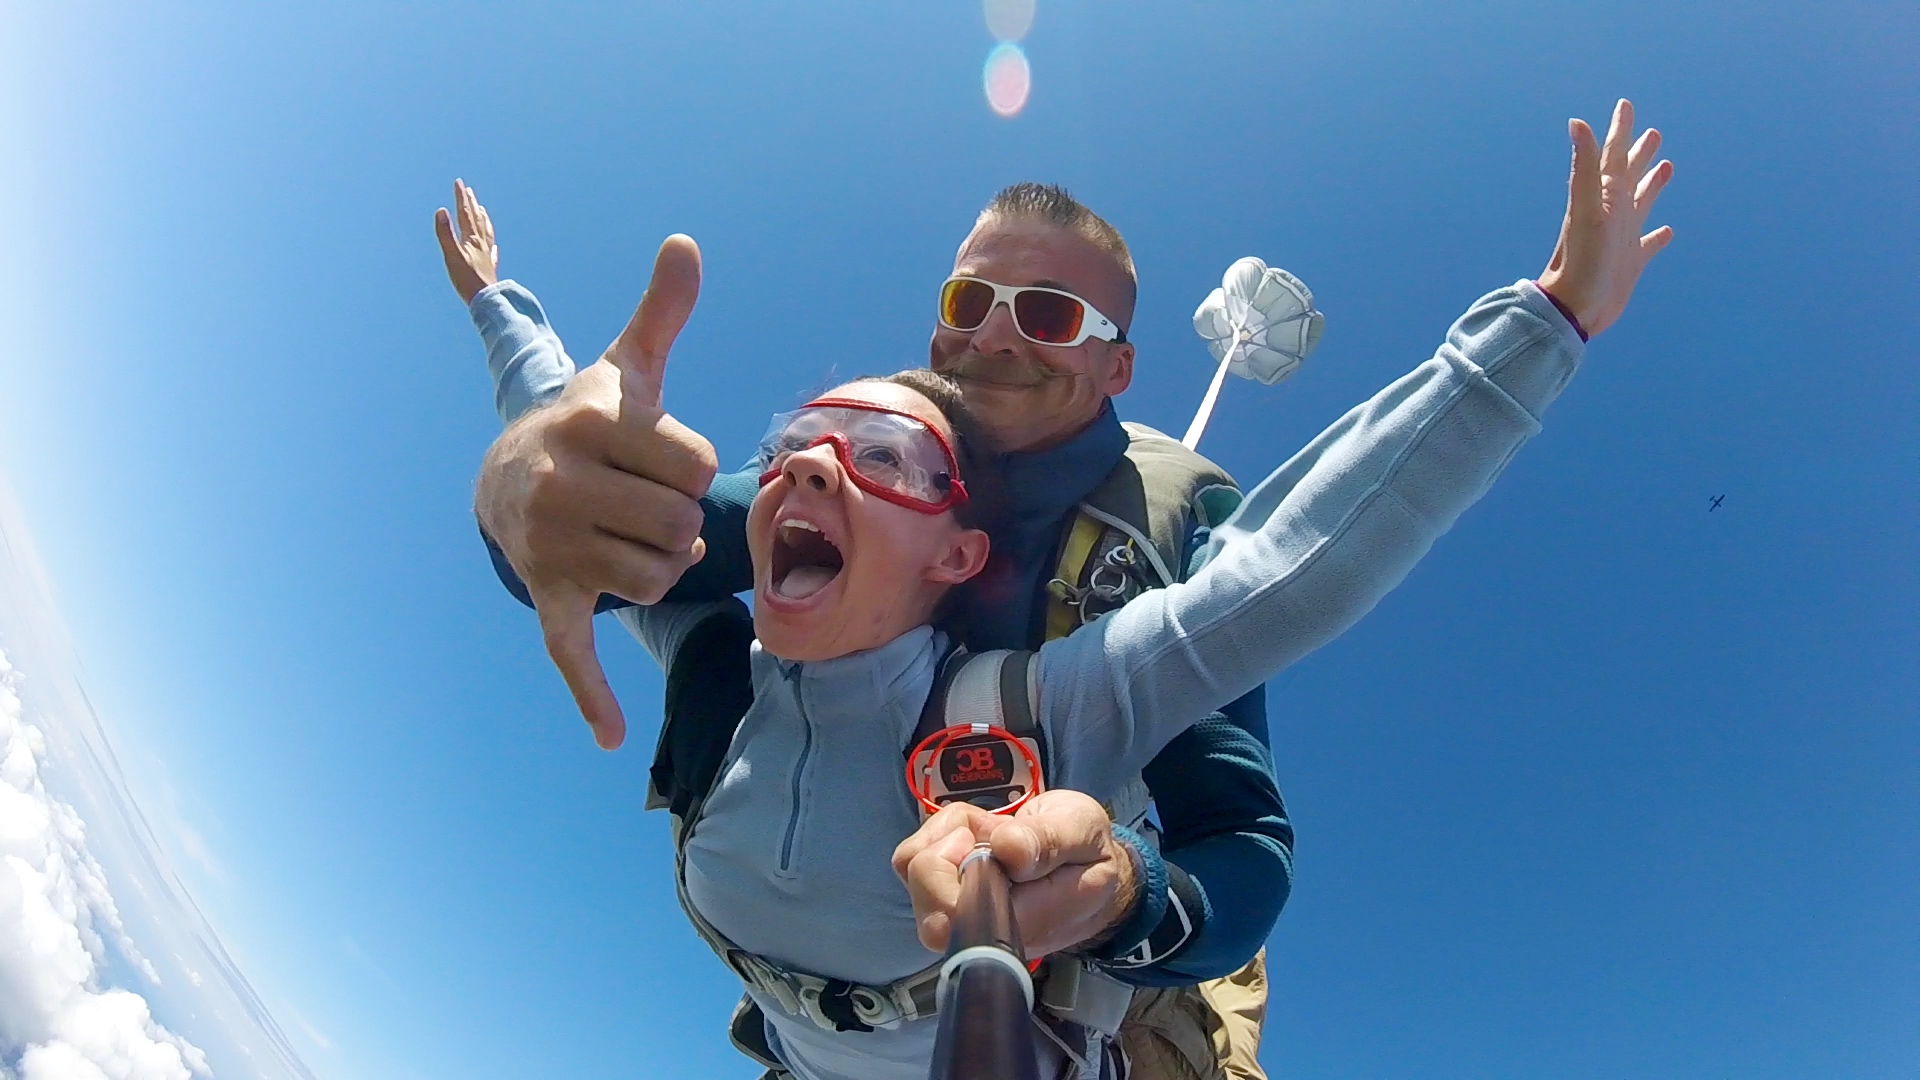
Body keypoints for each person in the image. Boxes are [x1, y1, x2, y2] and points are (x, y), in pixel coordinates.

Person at [438, 99, 1673, 1078]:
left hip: (1093, 972)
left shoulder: (1165, 529)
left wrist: (1130, 897)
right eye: (969, 301)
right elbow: (610, 501)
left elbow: (1283, 620)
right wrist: (520, 488)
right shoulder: (835, 487)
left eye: (1043, 311)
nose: (990, 336)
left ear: (1118, 365)